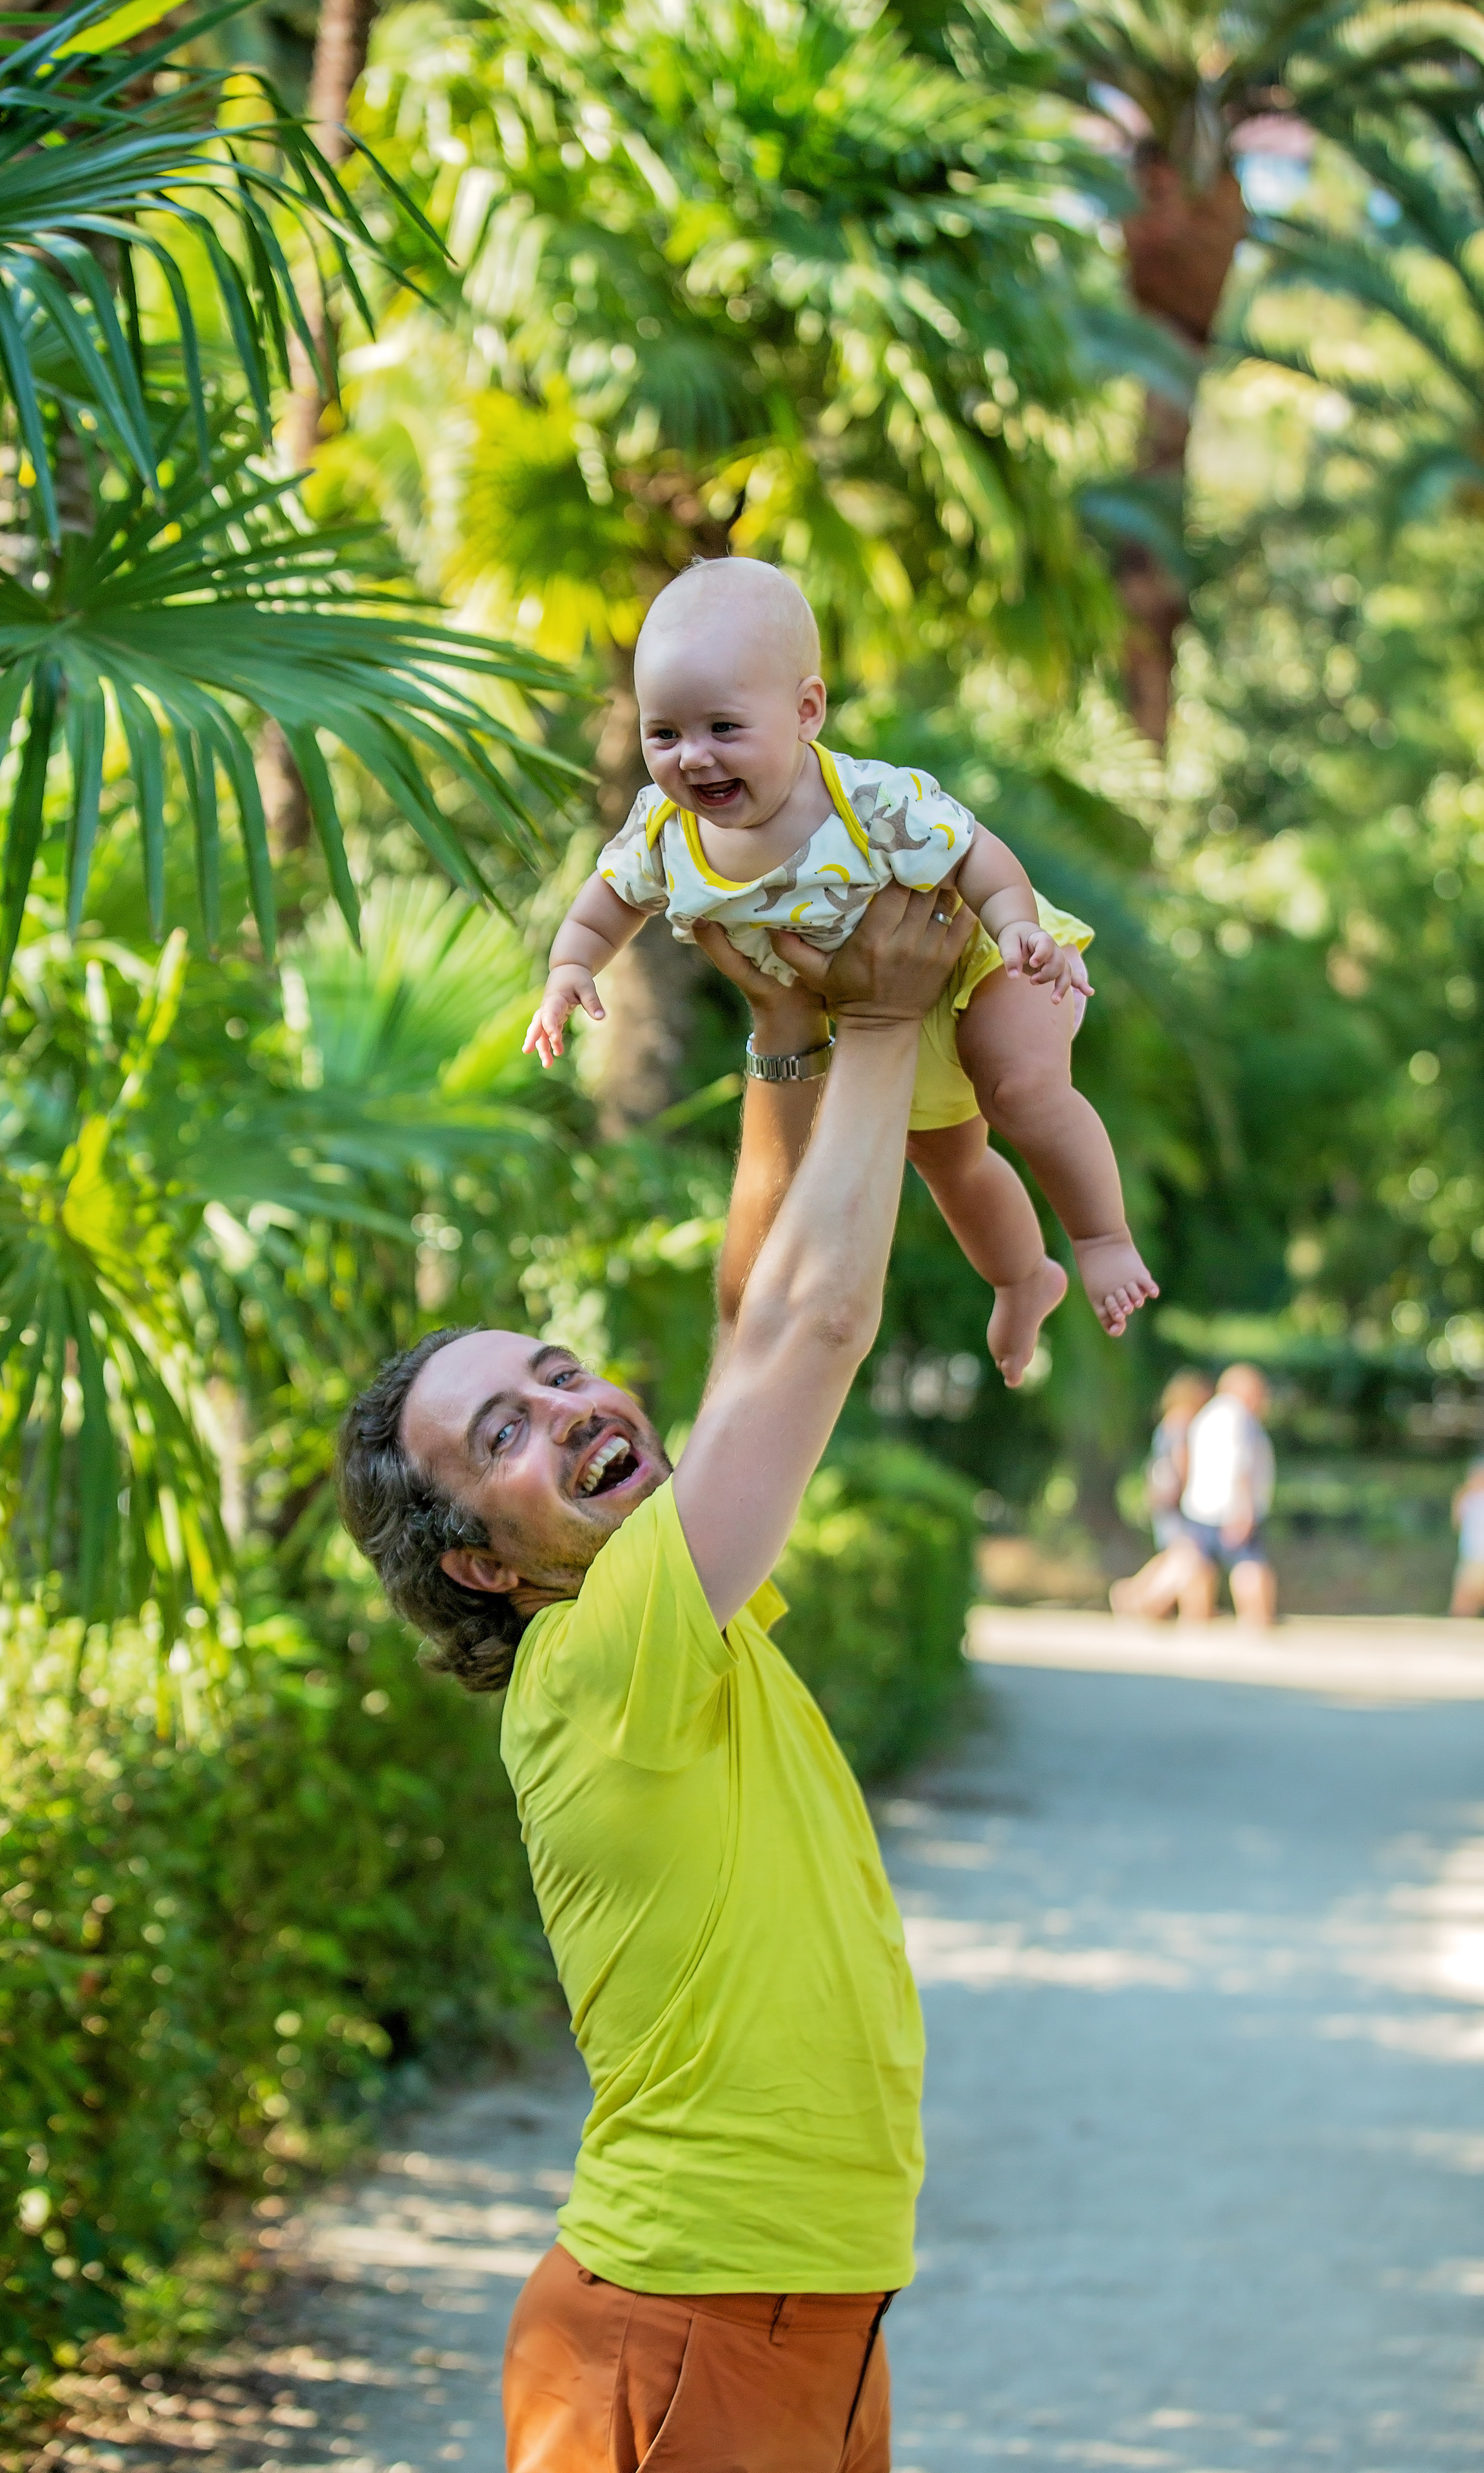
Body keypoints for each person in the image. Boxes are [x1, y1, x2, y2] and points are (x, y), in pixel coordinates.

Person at [337, 885, 975, 2473]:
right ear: (480, 1559)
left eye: (552, 1372)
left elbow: (752, 1320)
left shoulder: (655, 1621)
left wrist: (779, 1043)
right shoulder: (602, 1649)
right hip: (681, 2324)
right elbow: (816, 1327)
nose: (562, 1410)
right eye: (501, 1437)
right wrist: (882, 1025)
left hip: (798, 2313)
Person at [522, 556, 1156, 1388]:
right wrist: (571, 967)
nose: (694, 759)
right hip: (876, 1014)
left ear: (807, 712)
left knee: (1019, 1091)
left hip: (979, 962)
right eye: (664, 734)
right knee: (948, 1165)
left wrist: (1018, 927)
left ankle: (1102, 1238)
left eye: (723, 727)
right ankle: (1020, 1278)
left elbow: (977, 855)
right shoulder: (661, 832)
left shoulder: (870, 802)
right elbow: (605, 903)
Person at [1177, 1363, 1278, 1627]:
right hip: (1231, 1508)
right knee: (1249, 1566)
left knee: (1200, 1569)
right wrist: (1244, 1508)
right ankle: (1257, 1622)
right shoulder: (1238, 1416)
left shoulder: (1206, 1416)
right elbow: (1239, 1465)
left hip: (1199, 1507)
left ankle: (1194, 1622)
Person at [1109, 1369, 1215, 1620]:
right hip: (1175, 1500)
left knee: (1178, 1555)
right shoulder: (1182, 1423)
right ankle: (1141, 1600)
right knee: (1187, 1556)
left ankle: (1135, 1595)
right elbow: (1182, 1464)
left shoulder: (1168, 1422)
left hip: (1164, 1499)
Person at [1451, 1459, 1484, 1617]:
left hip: (1475, 1556)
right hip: (1472, 1555)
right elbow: (1458, 1522)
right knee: (1465, 1602)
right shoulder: (1467, 1497)